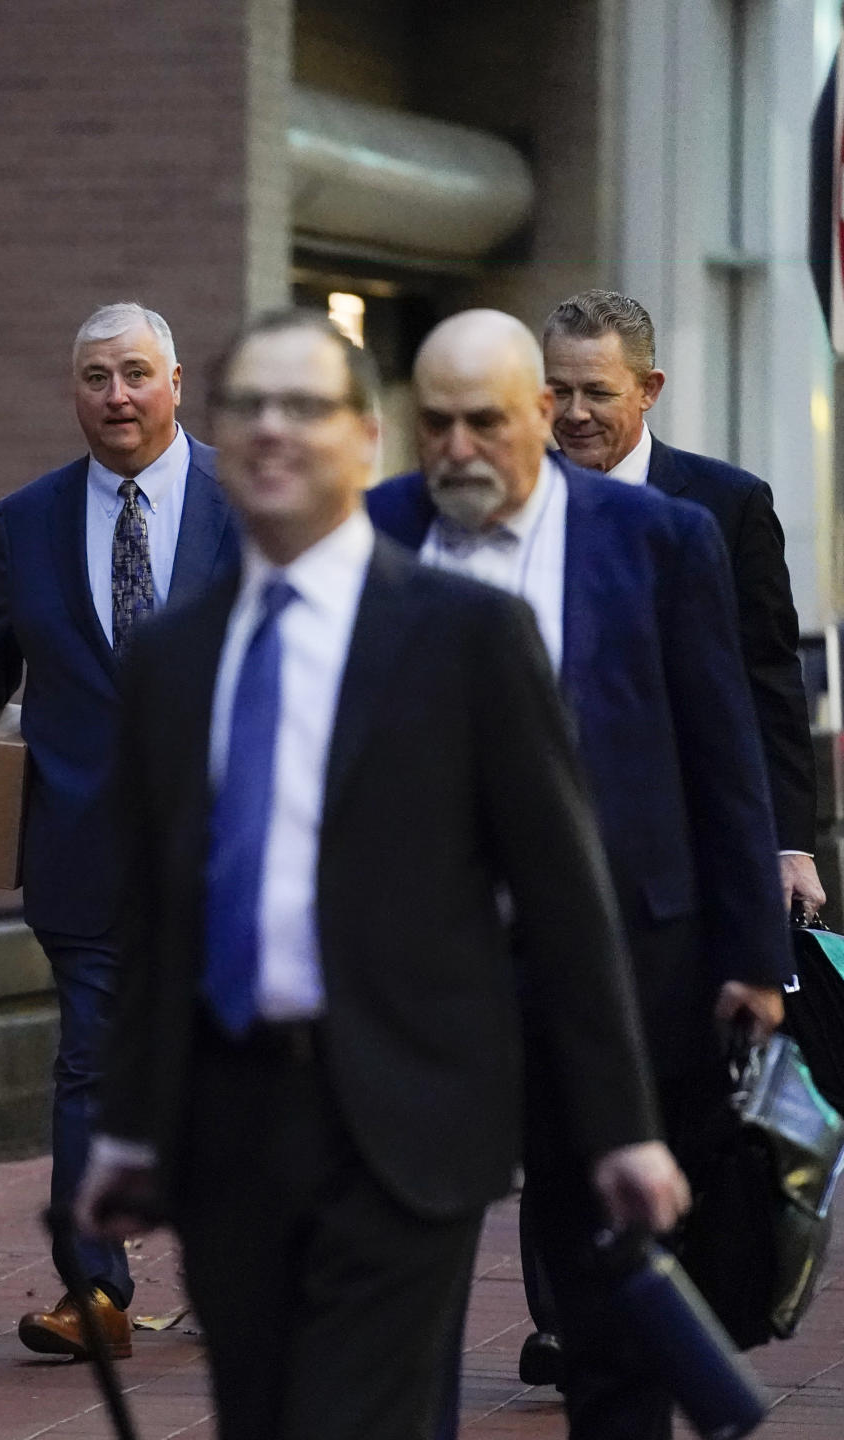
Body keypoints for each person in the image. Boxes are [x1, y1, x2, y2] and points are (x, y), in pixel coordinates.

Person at [74, 309, 689, 1440]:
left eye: (305, 406)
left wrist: (622, 1130)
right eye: (249, 406)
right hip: (229, 1132)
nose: (273, 430)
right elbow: (161, 910)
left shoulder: (467, 637)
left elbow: (564, 897)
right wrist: (125, 1128)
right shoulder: (173, 659)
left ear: (365, 439)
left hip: (405, 1122)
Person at [367, 308, 792, 1440]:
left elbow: (724, 749)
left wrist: (752, 951)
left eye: (486, 422)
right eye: (437, 423)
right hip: (423, 984)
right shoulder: (372, 535)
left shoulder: (657, 540)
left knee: (612, 1295)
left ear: (540, 416)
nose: (458, 449)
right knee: (398, 1290)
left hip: (612, 970)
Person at [0, 302, 236, 1358]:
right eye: (97, 377)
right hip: (84, 850)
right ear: (76, 394)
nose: (118, 396)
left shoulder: (250, 505)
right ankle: (94, 1293)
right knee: (92, 1067)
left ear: (177, 382)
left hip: (229, 854)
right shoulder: (30, 519)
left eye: (136, 373)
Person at [543, 288, 823, 919]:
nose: (574, 413)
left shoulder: (727, 506)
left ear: (649, 389)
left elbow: (768, 679)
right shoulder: (517, 500)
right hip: (544, 849)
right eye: (558, 391)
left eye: (598, 392)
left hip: (684, 856)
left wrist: (788, 846)